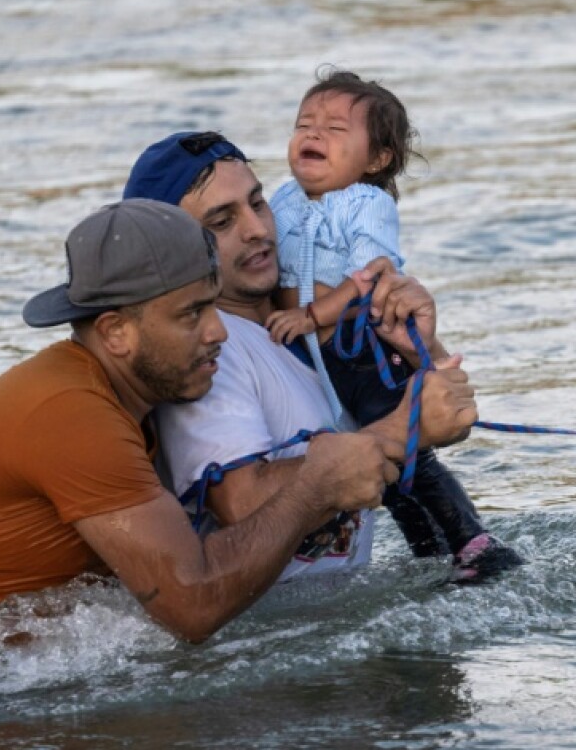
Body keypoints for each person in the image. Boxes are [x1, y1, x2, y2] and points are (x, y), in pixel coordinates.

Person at [0, 199, 478, 687]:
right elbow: (192, 603)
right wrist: (317, 486)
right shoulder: (70, 412)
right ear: (116, 331)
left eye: (215, 304)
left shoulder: (140, 399)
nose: (218, 332)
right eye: (191, 314)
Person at [122, 127, 521, 581]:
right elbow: (240, 505)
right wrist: (400, 428)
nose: (258, 231)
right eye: (221, 223)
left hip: (345, 620)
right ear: (167, 252)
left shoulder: (315, 317)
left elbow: (446, 429)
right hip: (263, 641)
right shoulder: (207, 352)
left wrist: (421, 351)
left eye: (257, 202)